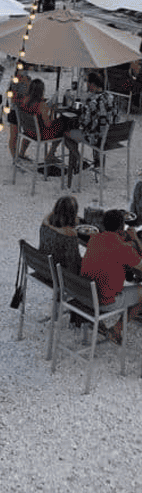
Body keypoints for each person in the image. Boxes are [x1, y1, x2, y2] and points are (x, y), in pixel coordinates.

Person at [81, 208, 142, 344]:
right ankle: (116, 329)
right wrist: (136, 239)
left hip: (84, 293)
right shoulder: (123, 249)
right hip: (104, 301)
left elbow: (112, 249)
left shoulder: (95, 238)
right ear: (121, 227)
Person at [65, 72, 119, 177]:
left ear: (92, 84)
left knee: (68, 135)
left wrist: (81, 113)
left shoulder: (92, 101)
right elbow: (116, 117)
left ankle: (80, 162)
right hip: (111, 137)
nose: (86, 85)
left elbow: (85, 123)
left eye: (87, 82)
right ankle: (98, 162)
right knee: (100, 127)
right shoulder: (111, 97)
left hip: (97, 138)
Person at [20, 77, 66, 163]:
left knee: (31, 124)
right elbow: (48, 124)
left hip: (27, 130)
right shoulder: (42, 105)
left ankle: (21, 153)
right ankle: (50, 155)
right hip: (40, 134)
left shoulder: (25, 100)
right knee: (62, 127)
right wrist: (52, 112)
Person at [39, 195, 81, 276]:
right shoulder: (69, 236)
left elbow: (51, 216)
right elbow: (74, 264)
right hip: (58, 276)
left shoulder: (45, 226)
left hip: (43, 267)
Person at [9, 71, 32, 159]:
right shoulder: (14, 81)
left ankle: (21, 153)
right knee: (14, 136)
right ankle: (15, 159)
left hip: (26, 111)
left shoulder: (29, 79)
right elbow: (13, 99)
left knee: (30, 133)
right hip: (15, 111)